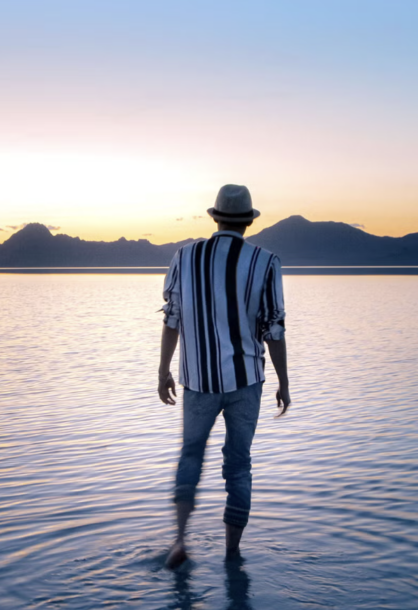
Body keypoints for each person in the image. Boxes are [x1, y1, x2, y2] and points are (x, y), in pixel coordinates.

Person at [157, 184, 290, 568]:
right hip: (246, 380)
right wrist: (284, 381)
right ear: (249, 222)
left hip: (197, 381)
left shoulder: (185, 256)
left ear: (214, 217)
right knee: (238, 465)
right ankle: (232, 553)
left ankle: (180, 541)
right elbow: (274, 329)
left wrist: (163, 369)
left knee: (190, 456)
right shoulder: (266, 261)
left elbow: (172, 319)